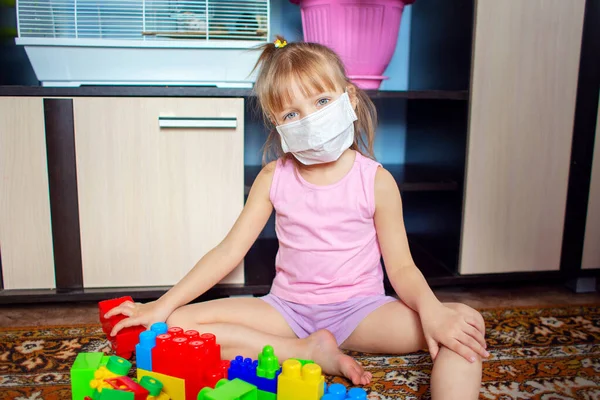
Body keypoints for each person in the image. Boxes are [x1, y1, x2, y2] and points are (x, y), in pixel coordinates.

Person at [105, 36, 488, 399]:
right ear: (277, 124)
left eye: (322, 102)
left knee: (464, 322)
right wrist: (162, 303)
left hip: (363, 312)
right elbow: (228, 252)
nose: (310, 120)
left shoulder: (376, 180)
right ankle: (304, 350)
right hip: (286, 310)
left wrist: (434, 311)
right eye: (292, 112)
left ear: (349, 100)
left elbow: (402, 268)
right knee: (173, 325)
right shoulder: (274, 177)